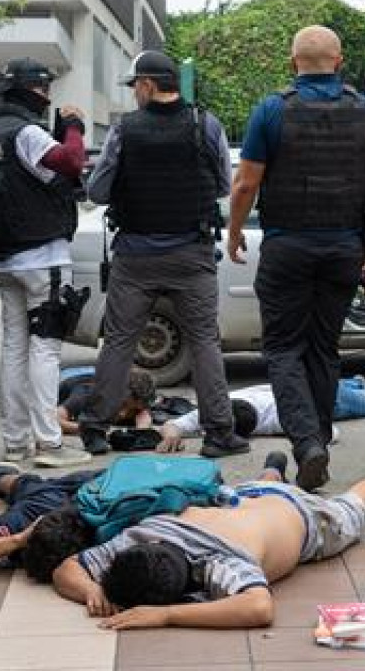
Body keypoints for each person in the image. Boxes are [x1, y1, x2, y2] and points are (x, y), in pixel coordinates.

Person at [227, 26, 365, 490]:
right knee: (325, 347)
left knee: (283, 348)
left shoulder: (271, 110)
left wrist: (236, 230)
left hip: (287, 246)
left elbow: (245, 184)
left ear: (292, 62)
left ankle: (307, 443)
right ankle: (318, 436)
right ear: (339, 62)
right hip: (344, 245)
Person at [79, 50, 248, 459]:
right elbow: (225, 183)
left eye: (136, 85)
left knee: (119, 341)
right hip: (191, 252)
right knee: (205, 340)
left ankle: (95, 429)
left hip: (135, 255)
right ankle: (219, 433)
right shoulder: (205, 124)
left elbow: (97, 191)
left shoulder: (125, 130)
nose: (134, 94)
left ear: (149, 85)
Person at [50, 449, 365, 629]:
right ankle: (273, 471)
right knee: (257, 494)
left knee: (349, 512)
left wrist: (166, 615)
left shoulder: (219, 561)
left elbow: (259, 608)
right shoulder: (146, 533)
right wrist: (90, 589)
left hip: (304, 516)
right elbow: (67, 568)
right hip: (245, 496)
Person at [0, 57, 90, 467]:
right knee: (46, 349)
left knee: (14, 347)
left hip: (6, 258)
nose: (47, 97)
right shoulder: (26, 132)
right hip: (44, 256)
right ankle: (50, 444)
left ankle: (15, 441)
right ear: (29, 91)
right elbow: (72, 162)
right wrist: (73, 125)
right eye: (43, 89)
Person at [158, 378, 365, 450]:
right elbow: (171, 425)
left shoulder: (278, 419)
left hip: (329, 401)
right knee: (340, 382)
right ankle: (354, 382)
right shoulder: (219, 407)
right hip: (307, 383)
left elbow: (333, 433)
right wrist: (171, 434)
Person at [58, 369, 156, 436]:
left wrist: (142, 429)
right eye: (123, 405)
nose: (123, 414)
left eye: (134, 410)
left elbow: (144, 422)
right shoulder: (87, 393)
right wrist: (89, 430)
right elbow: (54, 421)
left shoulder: (140, 401)